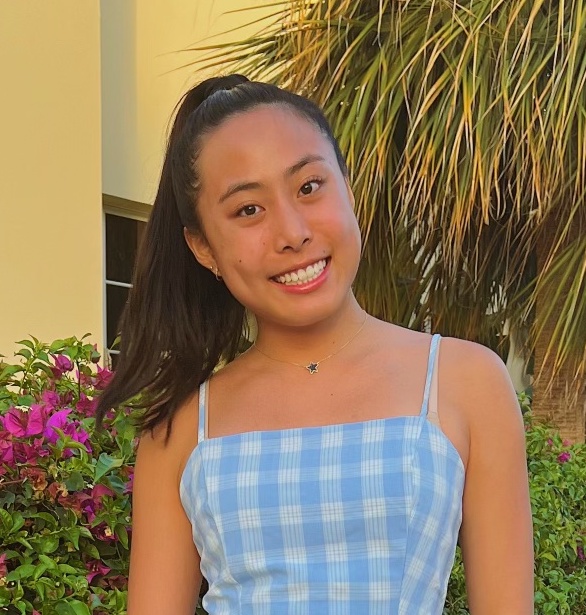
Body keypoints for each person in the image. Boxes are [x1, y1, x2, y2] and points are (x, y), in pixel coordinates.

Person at [96, 74, 534, 615]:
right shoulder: (183, 423)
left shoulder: (464, 380)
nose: (292, 232)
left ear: (348, 190)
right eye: (248, 210)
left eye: (309, 187)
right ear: (204, 247)